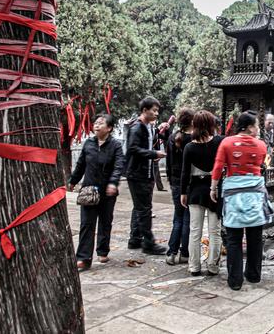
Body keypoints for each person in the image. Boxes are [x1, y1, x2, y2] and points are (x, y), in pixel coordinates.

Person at [211, 111, 268, 290]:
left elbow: (218, 167)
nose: (258, 129)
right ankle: (253, 275)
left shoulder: (226, 143)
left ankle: (235, 280)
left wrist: (213, 188)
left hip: (233, 194)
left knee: (234, 238)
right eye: (257, 125)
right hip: (255, 195)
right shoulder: (261, 145)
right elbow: (259, 165)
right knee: (255, 237)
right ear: (250, 128)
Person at [70, 114, 125, 270]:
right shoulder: (88, 143)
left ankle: (102, 251)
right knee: (86, 224)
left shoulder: (115, 145)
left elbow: (119, 165)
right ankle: (83, 258)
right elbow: (81, 164)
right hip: (89, 190)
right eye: (96, 123)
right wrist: (73, 180)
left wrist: (113, 183)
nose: (97, 125)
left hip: (108, 191)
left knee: (105, 221)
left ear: (109, 128)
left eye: (101, 123)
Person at [181, 110, 224, 276]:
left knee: (195, 231)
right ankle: (213, 266)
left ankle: (194, 266)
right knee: (215, 231)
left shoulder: (190, 147)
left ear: (196, 125)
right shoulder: (220, 141)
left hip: (195, 191)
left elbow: (185, 173)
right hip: (215, 189)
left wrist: (183, 193)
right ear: (211, 124)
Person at [126, 97, 168, 255]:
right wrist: (153, 153)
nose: (157, 113)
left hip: (145, 173)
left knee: (140, 207)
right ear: (145, 110)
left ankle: (135, 239)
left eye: (157, 110)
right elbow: (133, 149)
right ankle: (149, 243)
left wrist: (152, 155)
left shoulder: (147, 127)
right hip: (137, 174)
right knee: (145, 209)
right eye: (154, 110)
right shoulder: (137, 128)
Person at [165, 108, 195, 265]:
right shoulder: (193, 139)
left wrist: (171, 180)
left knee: (178, 218)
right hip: (190, 183)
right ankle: (184, 253)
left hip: (176, 182)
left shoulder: (172, 137)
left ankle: (171, 252)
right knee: (187, 219)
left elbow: (169, 163)